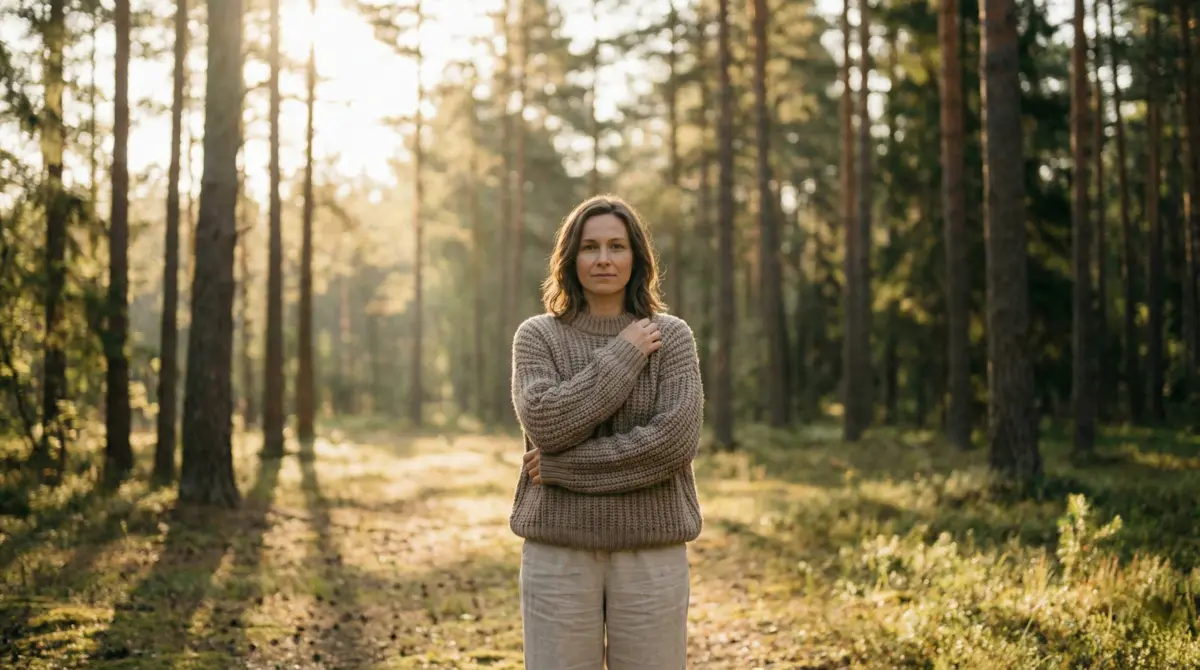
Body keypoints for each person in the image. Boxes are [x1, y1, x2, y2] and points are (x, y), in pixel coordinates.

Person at [508, 194, 705, 669]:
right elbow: (546, 421)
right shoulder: (538, 336)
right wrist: (624, 353)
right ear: (570, 258)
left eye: (616, 246)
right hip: (558, 554)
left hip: (651, 554)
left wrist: (560, 467)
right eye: (590, 247)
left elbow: (672, 444)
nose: (603, 258)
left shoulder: (671, 335)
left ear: (636, 257)